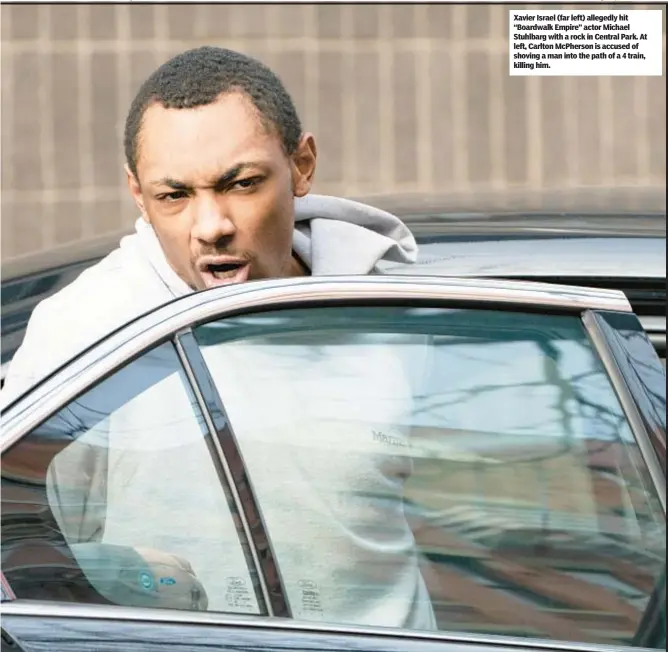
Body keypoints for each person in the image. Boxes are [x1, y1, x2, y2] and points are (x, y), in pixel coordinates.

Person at [1, 47, 435, 629]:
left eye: (242, 183)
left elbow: (462, 536)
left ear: (302, 165)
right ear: (137, 192)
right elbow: (30, 548)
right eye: (173, 196)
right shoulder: (86, 332)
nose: (211, 227)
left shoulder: (400, 313)